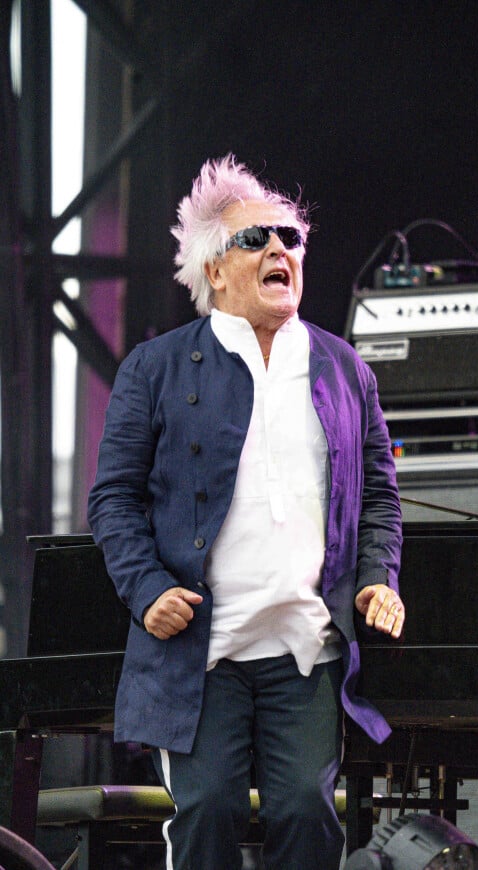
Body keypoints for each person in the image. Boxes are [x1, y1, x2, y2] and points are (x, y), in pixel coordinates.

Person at [88, 154, 404, 870]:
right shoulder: (157, 367)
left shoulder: (343, 368)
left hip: (306, 643)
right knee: (208, 813)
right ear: (214, 272)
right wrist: (147, 589)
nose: (279, 250)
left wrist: (377, 576)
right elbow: (113, 499)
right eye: (256, 239)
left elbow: (380, 493)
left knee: (305, 813)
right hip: (203, 651)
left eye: (290, 238)